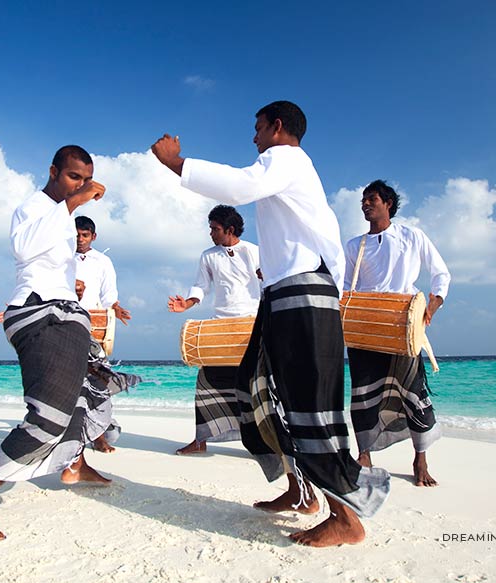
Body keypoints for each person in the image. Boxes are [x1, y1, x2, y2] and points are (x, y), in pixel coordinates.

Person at [151, 101, 389, 547]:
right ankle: (301, 492)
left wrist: (176, 163)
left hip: (303, 293)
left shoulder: (287, 158)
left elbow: (240, 185)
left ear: (278, 127)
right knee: (259, 390)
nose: (254, 136)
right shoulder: (283, 169)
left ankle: (345, 517)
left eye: (258, 128)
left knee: (309, 402)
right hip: (282, 295)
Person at [0, 145, 132, 543]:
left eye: (86, 180)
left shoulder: (62, 217)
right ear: (53, 172)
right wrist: (75, 202)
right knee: (47, 417)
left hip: (67, 313)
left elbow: (47, 263)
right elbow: (25, 249)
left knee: (86, 395)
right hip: (39, 314)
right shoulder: (34, 207)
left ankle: (75, 464)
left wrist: (71, 284)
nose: (80, 185)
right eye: (73, 177)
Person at [343, 180, 450, 487]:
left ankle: (420, 458)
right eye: (363, 200)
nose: (365, 204)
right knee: (363, 393)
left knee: (413, 391)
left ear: (388, 203)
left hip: (402, 325)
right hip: (364, 326)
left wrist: (434, 303)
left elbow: (441, 272)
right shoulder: (355, 245)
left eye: (372, 199)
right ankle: (364, 454)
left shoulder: (411, 236)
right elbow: (346, 286)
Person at [168, 204, 260, 455]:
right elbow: (201, 286)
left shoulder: (253, 251)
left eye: (215, 229)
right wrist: (186, 304)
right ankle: (201, 440)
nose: (210, 233)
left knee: (255, 387)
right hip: (220, 325)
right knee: (206, 382)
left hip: (250, 324)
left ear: (230, 229)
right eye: (210, 228)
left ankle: (263, 444)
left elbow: (269, 281)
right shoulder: (208, 255)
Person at [73, 215, 131, 454]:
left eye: (85, 235)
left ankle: (98, 435)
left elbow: (109, 296)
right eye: (76, 235)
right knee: (68, 383)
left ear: (93, 237)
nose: (80, 239)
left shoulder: (103, 261)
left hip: (93, 326)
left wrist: (116, 308)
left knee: (97, 382)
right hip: (64, 323)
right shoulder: (59, 257)